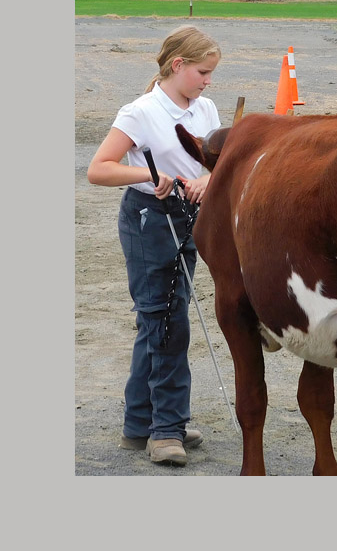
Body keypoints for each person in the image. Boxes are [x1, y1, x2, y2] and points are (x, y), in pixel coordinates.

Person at [87, 25, 222, 467]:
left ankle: (139, 423)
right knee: (166, 322)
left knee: (160, 318)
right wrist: (146, 174)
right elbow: (99, 169)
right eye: (202, 72)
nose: (207, 81)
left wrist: (208, 178)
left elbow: (218, 163)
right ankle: (166, 429)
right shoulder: (140, 112)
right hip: (148, 221)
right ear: (177, 65)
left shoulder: (206, 109)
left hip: (189, 220)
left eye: (211, 74)